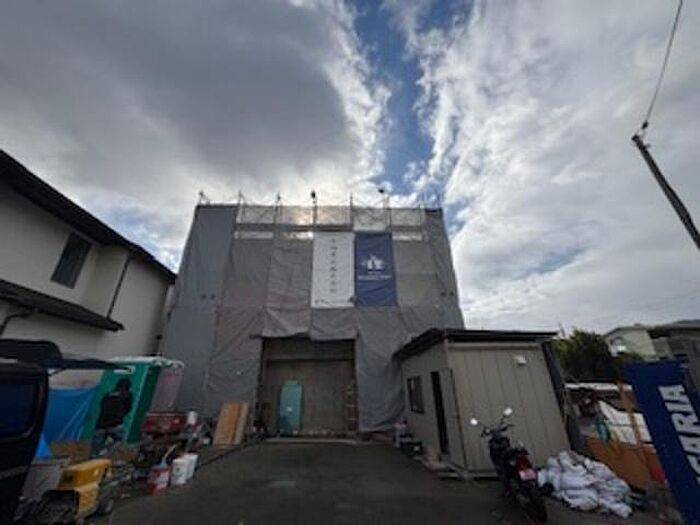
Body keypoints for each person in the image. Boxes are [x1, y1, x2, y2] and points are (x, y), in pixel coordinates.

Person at [92, 378, 133, 456]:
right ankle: (107, 454)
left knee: (95, 451)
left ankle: (97, 456)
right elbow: (127, 409)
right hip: (115, 426)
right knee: (117, 442)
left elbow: (102, 407)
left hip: (101, 425)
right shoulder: (126, 396)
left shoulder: (107, 395)